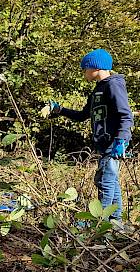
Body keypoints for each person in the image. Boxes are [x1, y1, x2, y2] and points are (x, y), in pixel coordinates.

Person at [43, 49, 134, 222]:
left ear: (96, 67)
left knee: (104, 182)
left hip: (113, 143)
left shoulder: (113, 85)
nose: (84, 73)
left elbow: (125, 114)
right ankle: (115, 223)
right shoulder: (97, 91)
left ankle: (100, 222)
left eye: (85, 69)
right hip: (104, 143)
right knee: (111, 182)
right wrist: (60, 110)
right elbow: (82, 115)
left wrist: (121, 140)